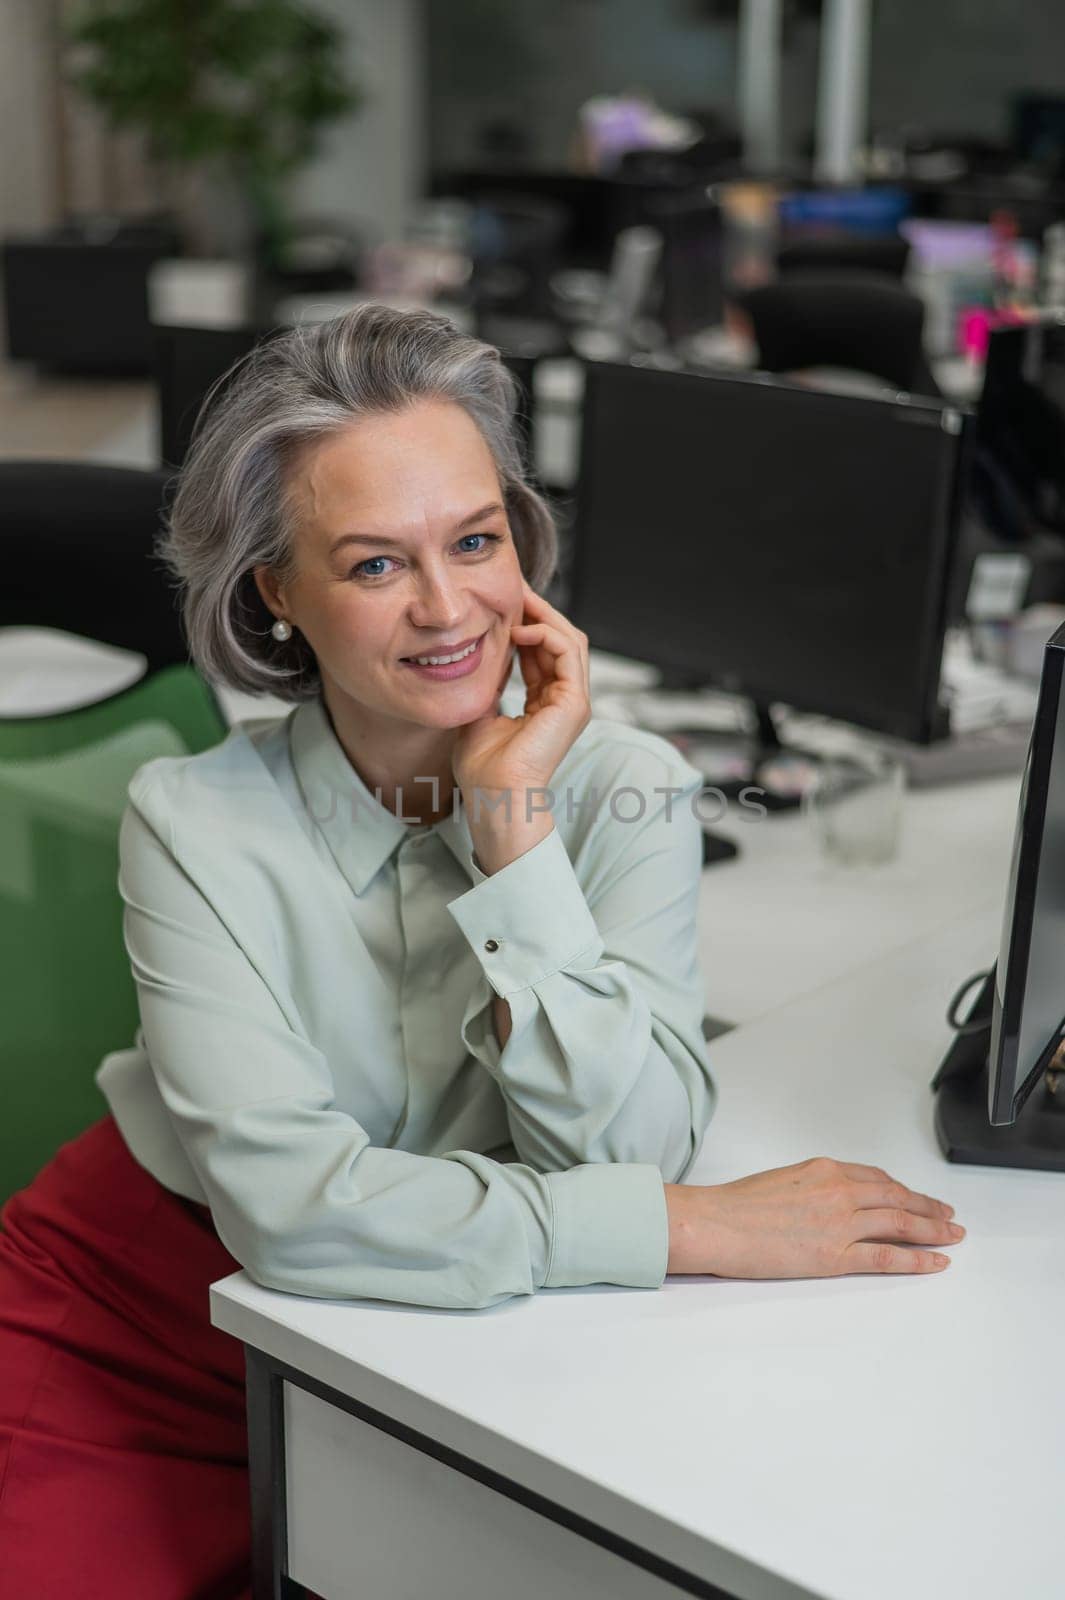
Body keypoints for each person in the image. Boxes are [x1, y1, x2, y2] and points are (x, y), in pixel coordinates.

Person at [0, 305, 964, 1597]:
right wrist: (676, 1227)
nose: (448, 609)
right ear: (276, 591)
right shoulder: (194, 821)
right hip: (137, 1316)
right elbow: (294, 1219)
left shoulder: (629, 786)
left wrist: (513, 836)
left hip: (433, 1349)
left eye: (474, 540)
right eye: (374, 565)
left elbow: (625, 1153)